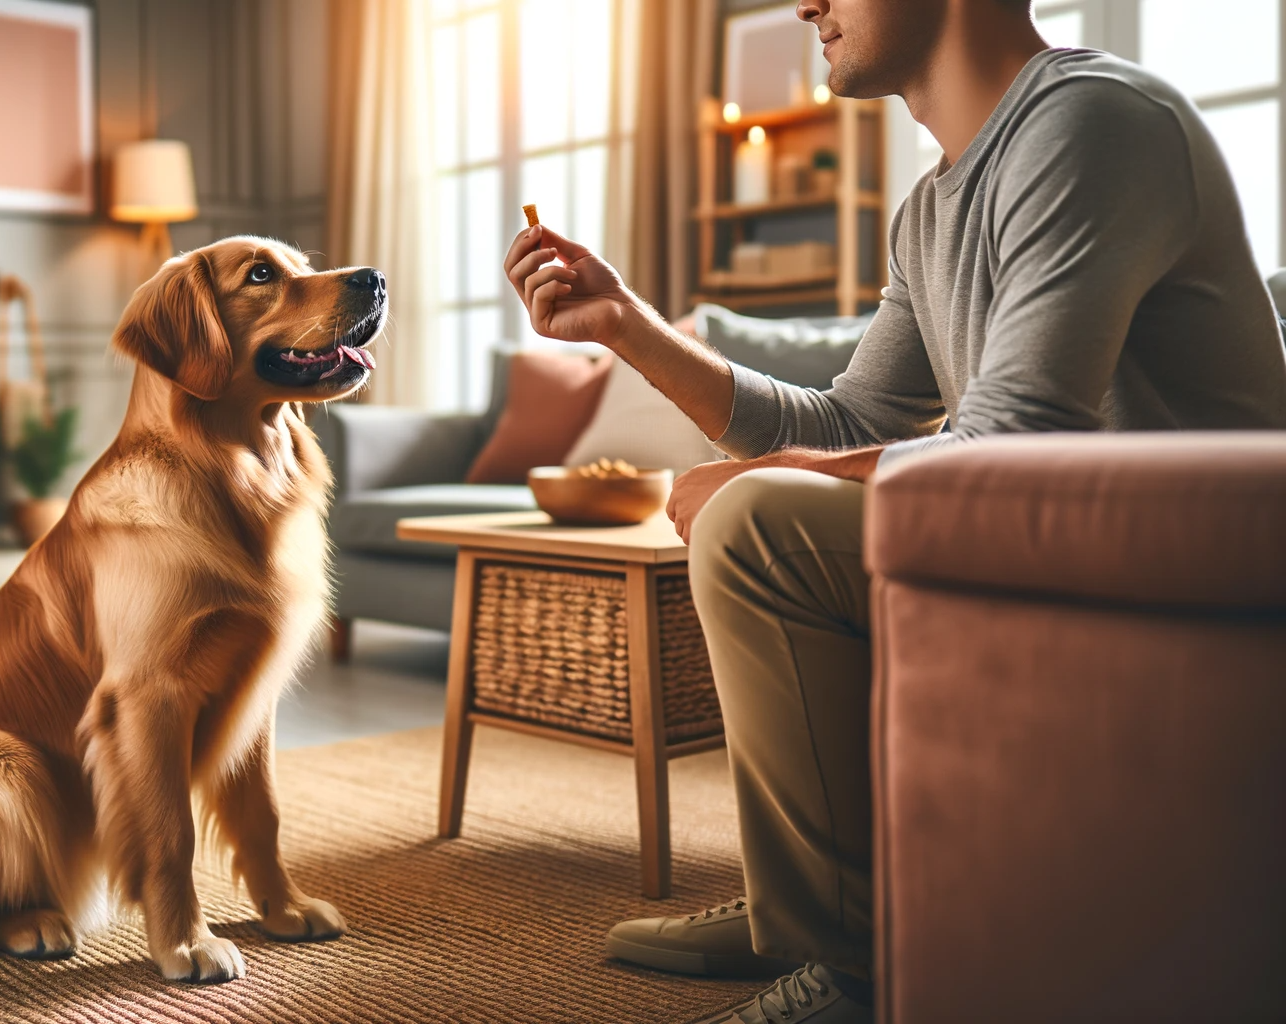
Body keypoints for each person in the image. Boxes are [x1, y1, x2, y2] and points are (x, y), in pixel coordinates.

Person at [504, 0, 1286, 1020]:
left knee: (759, 526)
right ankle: (815, 906)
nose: (805, 5)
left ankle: (857, 958)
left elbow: (1016, 437)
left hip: (1188, 580)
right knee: (769, 504)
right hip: (1065, 554)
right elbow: (847, 422)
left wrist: (754, 482)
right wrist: (626, 325)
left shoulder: (1094, 119)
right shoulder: (929, 210)